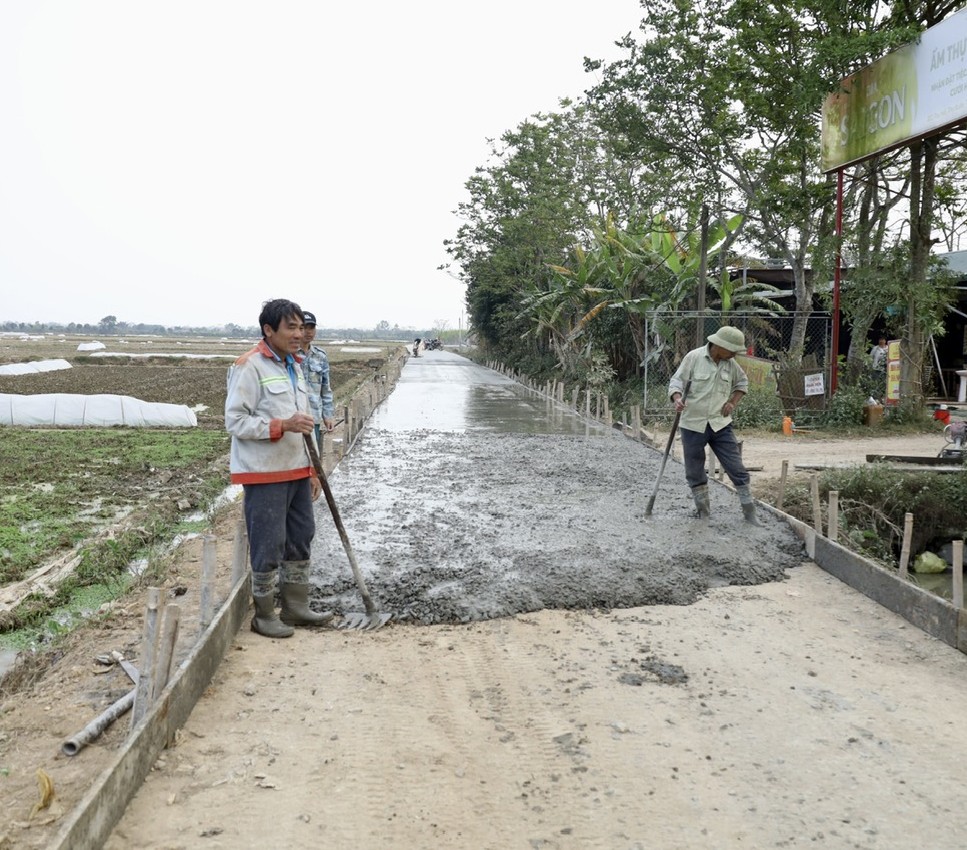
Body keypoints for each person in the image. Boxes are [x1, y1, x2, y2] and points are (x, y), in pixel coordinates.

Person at [225, 298, 333, 638]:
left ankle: (296, 606)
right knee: (268, 542)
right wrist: (280, 425)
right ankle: (265, 613)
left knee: (301, 537)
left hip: (298, 468)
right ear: (268, 330)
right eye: (291, 327)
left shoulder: (295, 366)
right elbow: (235, 421)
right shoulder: (250, 366)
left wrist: (313, 469)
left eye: (302, 327)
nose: (299, 334)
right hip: (265, 470)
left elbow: (304, 421)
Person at [668, 325, 758, 524]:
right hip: (693, 423)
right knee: (694, 470)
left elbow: (742, 384)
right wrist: (677, 398)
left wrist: (732, 402)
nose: (734, 353)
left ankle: (750, 513)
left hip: (720, 424)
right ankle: (704, 511)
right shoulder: (694, 358)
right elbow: (676, 381)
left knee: (736, 467)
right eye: (732, 349)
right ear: (719, 345)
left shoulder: (731, 364)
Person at [299, 310, 335, 449]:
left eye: (311, 328)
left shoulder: (320, 356)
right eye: (304, 328)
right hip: (294, 418)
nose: (308, 332)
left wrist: (328, 415)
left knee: (315, 459)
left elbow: (326, 388)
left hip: (314, 416)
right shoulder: (288, 356)